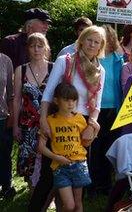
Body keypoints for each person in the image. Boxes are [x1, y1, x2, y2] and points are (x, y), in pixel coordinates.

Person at [34, 26, 104, 211]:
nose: (92, 44)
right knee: (49, 177)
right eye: (89, 39)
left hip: (82, 126)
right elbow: (48, 94)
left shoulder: (100, 71)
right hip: (58, 120)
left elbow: (97, 103)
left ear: (100, 47)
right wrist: (43, 120)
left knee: (74, 179)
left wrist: (91, 125)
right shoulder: (64, 61)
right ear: (81, 40)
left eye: (96, 42)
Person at [37, 83, 94, 212]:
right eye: (66, 100)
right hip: (60, 168)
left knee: (78, 203)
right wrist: (57, 158)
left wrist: (94, 131)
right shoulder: (50, 121)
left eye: (73, 100)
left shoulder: (79, 119)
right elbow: (41, 147)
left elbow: (85, 143)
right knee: (69, 206)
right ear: (56, 101)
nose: (71, 103)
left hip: (79, 165)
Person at [12, 33, 53, 189]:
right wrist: (15, 125)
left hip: (48, 122)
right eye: (32, 46)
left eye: (40, 45)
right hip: (27, 123)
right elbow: (16, 100)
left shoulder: (54, 67)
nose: (36, 49)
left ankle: (47, 192)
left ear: (46, 48)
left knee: (48, 159)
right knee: (28, 159)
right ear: (27, 48)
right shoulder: (20, 70)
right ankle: (31, 191)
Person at [89, 25, 124, 195]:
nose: (108, 41)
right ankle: (94, 184)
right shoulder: (94, 58)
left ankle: (106, 184)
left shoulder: (118, 59)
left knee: (109, 148)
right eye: (105, 38)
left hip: (114, 110)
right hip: (96, 110)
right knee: (95, 148)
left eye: (110, 37)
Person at [0, 52, 14, 199]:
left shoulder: (5, 60)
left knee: (4, 154)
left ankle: (6, 186)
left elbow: (11, 92)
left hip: (2, 116)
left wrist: (12, 113)